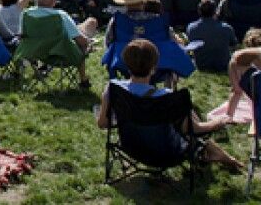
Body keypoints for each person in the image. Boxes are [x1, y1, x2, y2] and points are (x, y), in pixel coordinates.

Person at [96, 39, 244, 172]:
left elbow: (102, 123)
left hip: (131, 147)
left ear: (126, 65)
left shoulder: (113, 89)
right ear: (154, 68)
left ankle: (222, 156)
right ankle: (223, 157)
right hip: (166, 154)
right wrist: (218, 122)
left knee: (188, 122)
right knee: (193, 130)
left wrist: (128, 116)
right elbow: (194, 129)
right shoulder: (167, 97)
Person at [22, 0, 95, 88]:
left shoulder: (26, 15)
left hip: (39, 54)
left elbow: (23, 35)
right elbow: (79, 40)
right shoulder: (60, 16)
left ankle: (40, 70)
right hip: (63, 55)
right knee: (82, 43)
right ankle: (83, 79)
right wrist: (88, 43)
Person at [185, 0, 237, 73]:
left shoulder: (191, 28)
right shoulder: (226, 28)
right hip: (223, 65)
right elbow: (234, 45)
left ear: (199, 11)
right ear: (215, 11)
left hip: (202, 66)